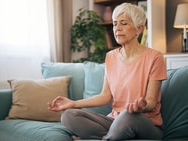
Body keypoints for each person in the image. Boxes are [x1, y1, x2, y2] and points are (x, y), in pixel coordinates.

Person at [48, 2, 167, 141]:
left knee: (128, 115)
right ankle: (113, 137)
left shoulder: (155, 57)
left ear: (139, 29)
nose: (117, 28)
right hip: (114, 122)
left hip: (145, 123)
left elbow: (152, 101)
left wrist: (141, 106)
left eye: (124, 23)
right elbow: (105, 96)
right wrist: (73, 103)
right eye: (115, 23)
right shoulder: (111, 57)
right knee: (69, 116)